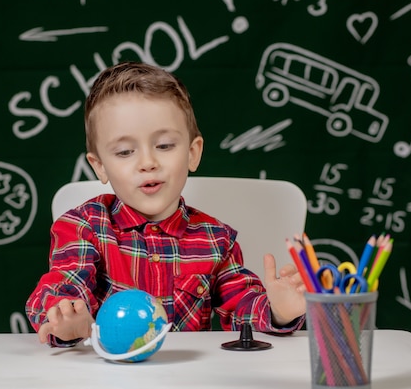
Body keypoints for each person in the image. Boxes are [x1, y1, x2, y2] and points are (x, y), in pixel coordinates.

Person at [25, 61, 306, 347]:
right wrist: (66, 316)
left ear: (193, 153)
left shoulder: (217, 239)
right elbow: (63, 284)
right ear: (100, 167)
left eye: (164, 145)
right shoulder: (84, 226)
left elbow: (242, 308)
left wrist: (278, 312)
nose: (148, 163)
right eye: (124, 152)